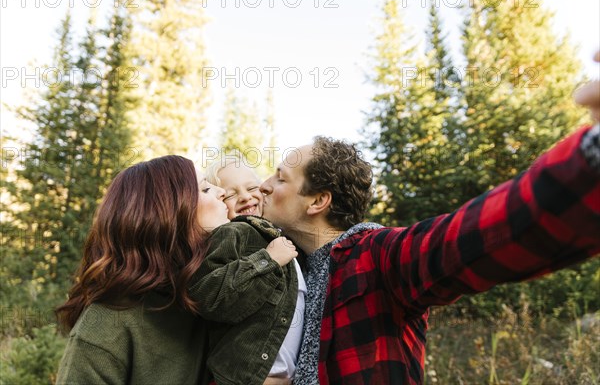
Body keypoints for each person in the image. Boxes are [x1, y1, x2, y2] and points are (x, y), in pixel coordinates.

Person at [258, 53, 600, 385]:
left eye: (280, 177)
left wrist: (589, 160)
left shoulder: (375, 257)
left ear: (317, 200)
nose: (265, 185)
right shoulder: (282, 270)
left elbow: (466, 240)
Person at [55, 155, 229, 384]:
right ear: (168, 216)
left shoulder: (224, 296)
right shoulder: (106, 327)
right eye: (205, 189)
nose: (222, 191)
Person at [192, 156, 306, 384]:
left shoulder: (281, 236)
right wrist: (269, 260)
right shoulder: (232, 234)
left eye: (252, 188)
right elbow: (211, 296)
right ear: (220, 200)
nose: (245, 197)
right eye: (231, 194)